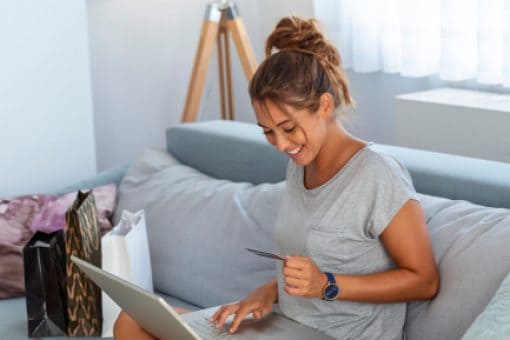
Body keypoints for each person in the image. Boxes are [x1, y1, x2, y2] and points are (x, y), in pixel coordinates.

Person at [114, 16, 439, 340]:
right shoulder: (301, 165)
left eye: (288, 128)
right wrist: (269, 291)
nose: (282, 144)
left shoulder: (378, 174)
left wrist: (327, 284)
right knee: (133, 322)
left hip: (341, 334)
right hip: (286, 325)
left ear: (324, 106)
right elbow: (310, 269)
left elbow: (424, 281)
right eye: (268, 132)